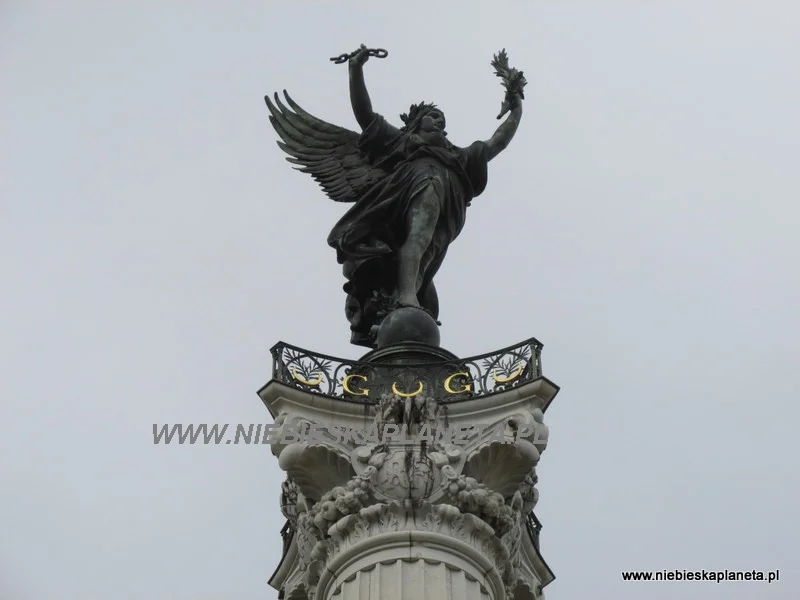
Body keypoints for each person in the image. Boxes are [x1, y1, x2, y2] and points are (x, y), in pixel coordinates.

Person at [326, 45, 524, 347]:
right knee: (417, 240)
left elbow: (499, 142)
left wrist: (517, 107)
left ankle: (405, 296)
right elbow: (365, 115)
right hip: (420, 183)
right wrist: (356, 70)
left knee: (429, 253)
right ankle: (406, 298)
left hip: (451, 205)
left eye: (443, 118)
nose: (440, 121)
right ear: (417, 122)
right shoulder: (405, 142)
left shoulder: (459, 155)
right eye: (433, 116)